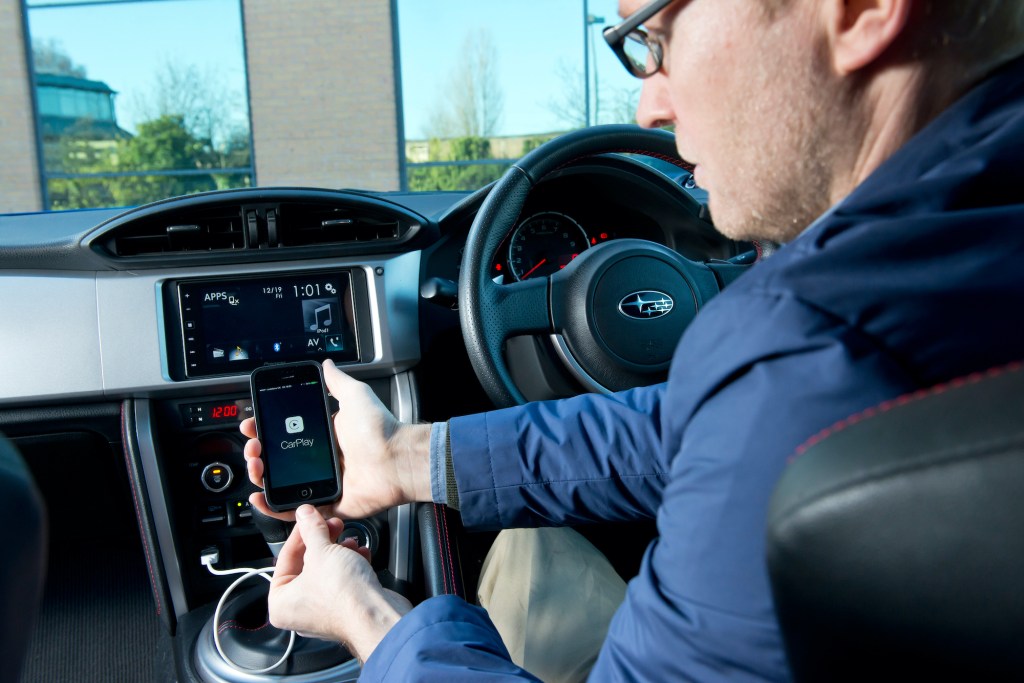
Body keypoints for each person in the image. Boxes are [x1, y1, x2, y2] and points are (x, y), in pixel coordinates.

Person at [240, 0, 1024, 680]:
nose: (650, 106)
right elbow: (692, 428)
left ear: (857, 9)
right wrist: (405, 456)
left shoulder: (808, 345)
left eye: (656, 39)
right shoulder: (938, 266)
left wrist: (370, 620)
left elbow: (754, 410)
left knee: (525, 560)